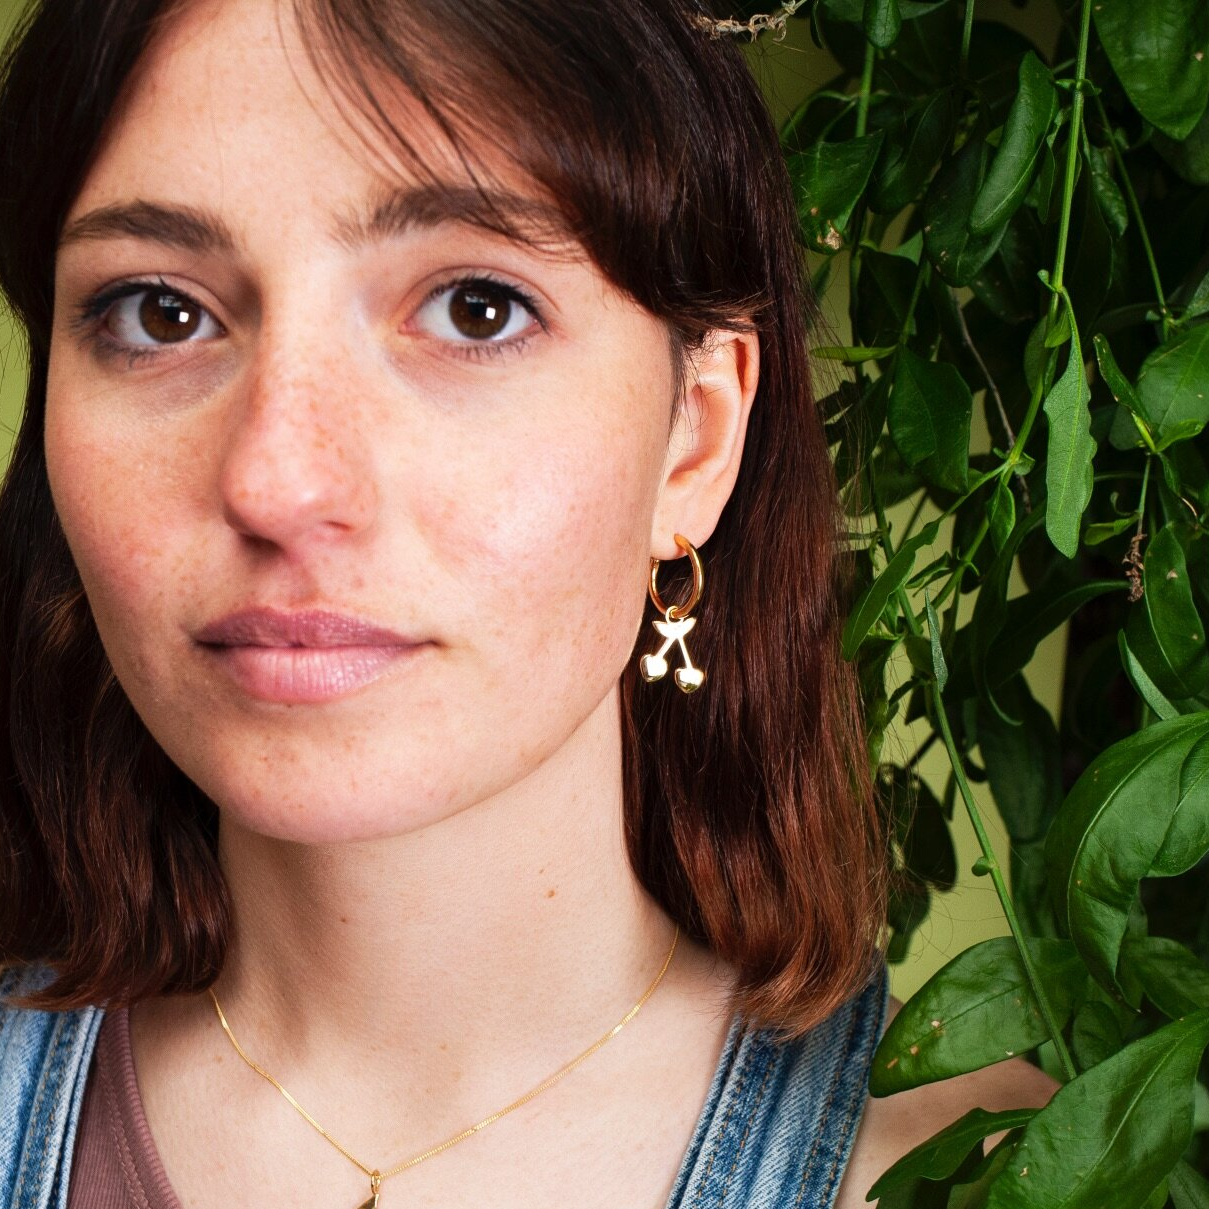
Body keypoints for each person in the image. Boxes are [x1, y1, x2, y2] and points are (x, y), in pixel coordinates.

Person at [0, 1, 1054, 1206]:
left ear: (696, 441)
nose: (278, 483)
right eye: (159, 312)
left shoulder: (985, 1177)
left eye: (474, 309)